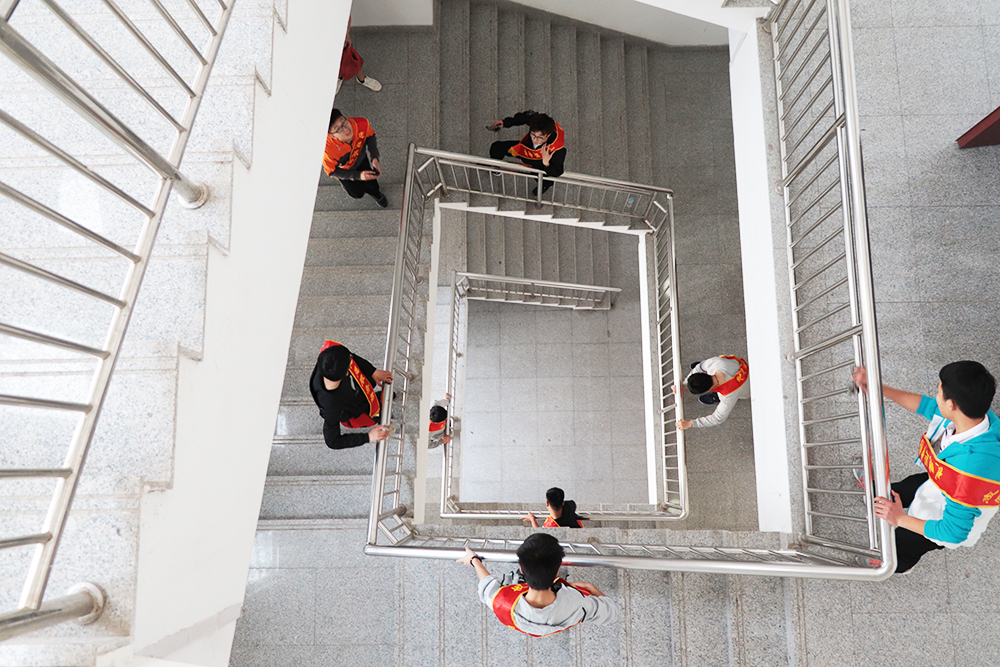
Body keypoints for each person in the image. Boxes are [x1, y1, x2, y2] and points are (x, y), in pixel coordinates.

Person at [852, 361, 1000, 573]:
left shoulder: (970, 473)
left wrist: (899, 518)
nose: (936, 396)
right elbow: (927, 407)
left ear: (951, 405)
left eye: (939, 392)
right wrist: (878, 388)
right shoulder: (981, 419)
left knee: (903, 543)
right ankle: (874, 494)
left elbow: (952, 533)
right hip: (939, 481)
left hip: (940, 518)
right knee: (903, 487)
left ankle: (895, 564)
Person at [457, 533, 618, 636]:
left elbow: (486, 586)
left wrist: (474, 560)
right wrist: (593, 589)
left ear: (522, 569)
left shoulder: (500, 602)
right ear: (557, 571)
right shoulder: (577, 603)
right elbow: (611, 612)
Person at [309, 340, 393, 450]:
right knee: (376, 415)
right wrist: (368, 437)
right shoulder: (331, 406)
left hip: (357, 393)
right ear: (347, 372)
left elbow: (349, 356)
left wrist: (373, 371)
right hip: (355, 411)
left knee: (375, 399)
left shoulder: (329, 356)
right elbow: (332, 441)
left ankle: (378, 401)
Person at [323, 108, 388, 208]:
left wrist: (374, 157)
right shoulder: (327, 150)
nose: (346, 129)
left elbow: (370, 136)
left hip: (361, 158)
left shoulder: (361, 124)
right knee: (357, 193)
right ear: (332, 135)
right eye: (338, 129)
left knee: (373, 183)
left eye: (344, 122)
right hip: (345, 169)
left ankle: (376, 194)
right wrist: (358, 176)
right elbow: (332, 171)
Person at [487, 110, 566, 191]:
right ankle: (494, 167)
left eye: (540, 138)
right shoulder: (536, 122)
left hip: (538, 165)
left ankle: (544, 186)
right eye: (533, 135)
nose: (534, 140)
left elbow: (558, 171)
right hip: (524, 150)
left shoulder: (557, 149)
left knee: (544, 180)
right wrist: (506, 122)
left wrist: (547, 164)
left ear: (548, 135)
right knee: (497, 147)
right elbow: (524, 117)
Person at [676, 355, 750, 430]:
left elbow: (717, 418)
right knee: (703, 365)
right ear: (703, 373)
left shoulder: (727, 397)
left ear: (708, 390)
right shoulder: (716, 362)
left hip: (747, 389)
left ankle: (716, 397)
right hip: (746, 370)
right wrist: (685, 383)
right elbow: (699, 367)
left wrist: (690, 424)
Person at [338, 17, 381, 94]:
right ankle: (338, 77)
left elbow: (346, 16)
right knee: (334, 62)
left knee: (352, 59)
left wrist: (346, 35)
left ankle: (362, 79)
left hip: (339, 37)